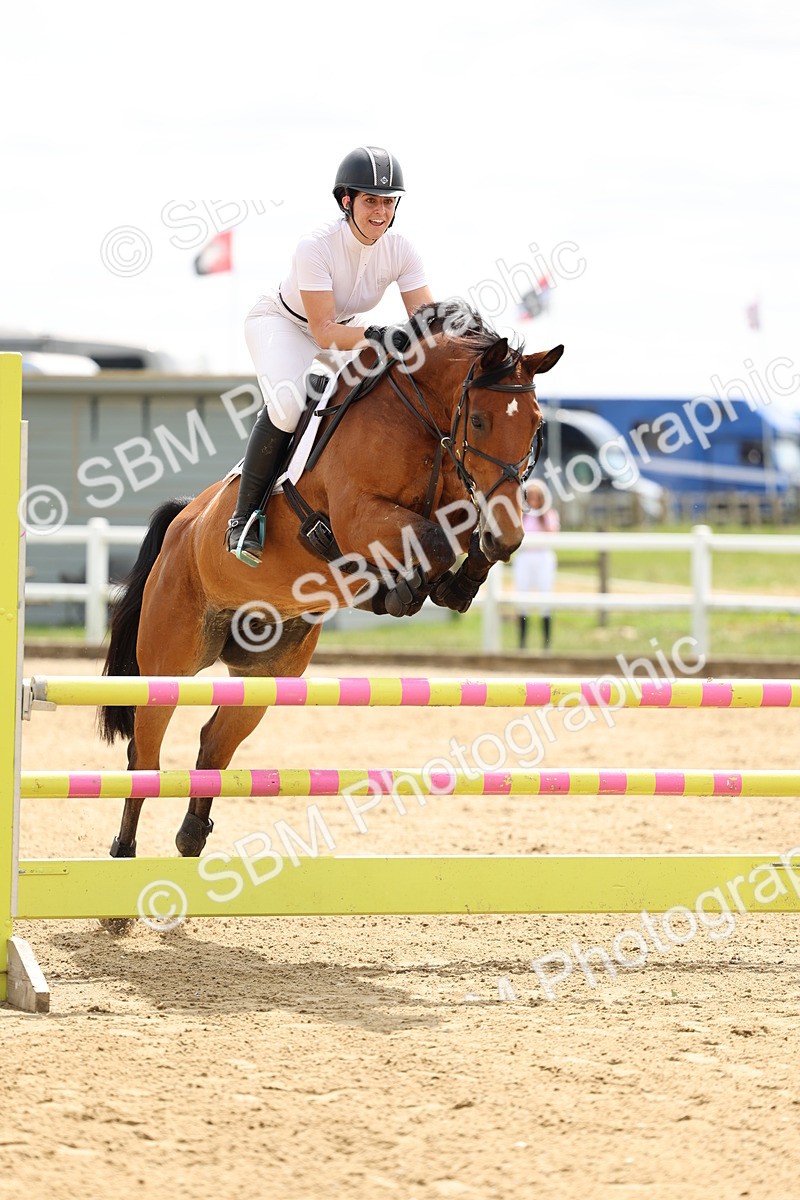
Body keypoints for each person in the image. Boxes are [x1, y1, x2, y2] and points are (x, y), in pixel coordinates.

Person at [226, 145, 434, 566]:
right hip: (285, 325)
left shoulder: (402, 250)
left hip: (346, 331)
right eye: (370, 201)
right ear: (347, 201)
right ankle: (244, 518)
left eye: (388, 201)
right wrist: (378, 334)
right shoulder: (315, 246)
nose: (380, 211)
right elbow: (323, 333)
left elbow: (426, 323)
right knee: (287, 407)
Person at [512, 481, 560, 650]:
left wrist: (544, 512)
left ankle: (546, 644)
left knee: (545, 599)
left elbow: (552, 532)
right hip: (524, 557)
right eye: (530, 496)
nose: (533, 499)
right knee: (522, 598)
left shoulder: (549, 514)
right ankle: (522, 644)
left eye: (537, 496)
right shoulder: (519, 515)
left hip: (543, 557)